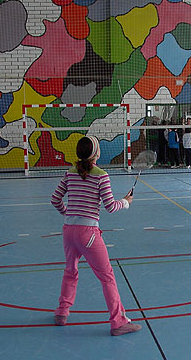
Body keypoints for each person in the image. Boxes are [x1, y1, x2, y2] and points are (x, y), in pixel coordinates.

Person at [50, 136, 141, 336]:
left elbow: (55, 199)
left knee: (70, 271)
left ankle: (62, 312)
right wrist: (125, 202)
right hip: (88, 234)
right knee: (107, 277)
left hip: (68, 231)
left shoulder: (70, 173)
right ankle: (118, 322)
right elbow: (110, 206)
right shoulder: (101, 175)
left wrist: (67, 213)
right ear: (97, 153)